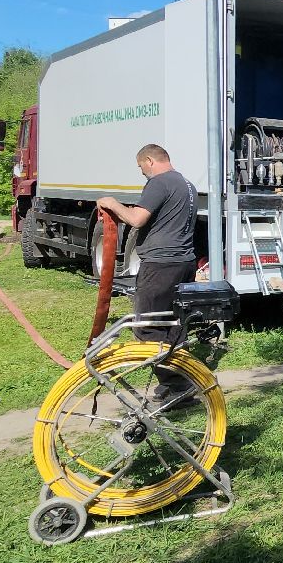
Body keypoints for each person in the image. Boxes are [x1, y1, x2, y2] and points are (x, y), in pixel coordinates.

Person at [97, 145, 199, 396]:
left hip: (161, 265)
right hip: (184, 262)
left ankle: (178, 383)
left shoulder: (159, 183)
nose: (141, 171)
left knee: (148, 326)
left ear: (150, 160)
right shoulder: (187, 185)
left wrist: (111, 203)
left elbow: (137, 219)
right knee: (175, 324)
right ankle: (179, 379)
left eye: (141, 166)